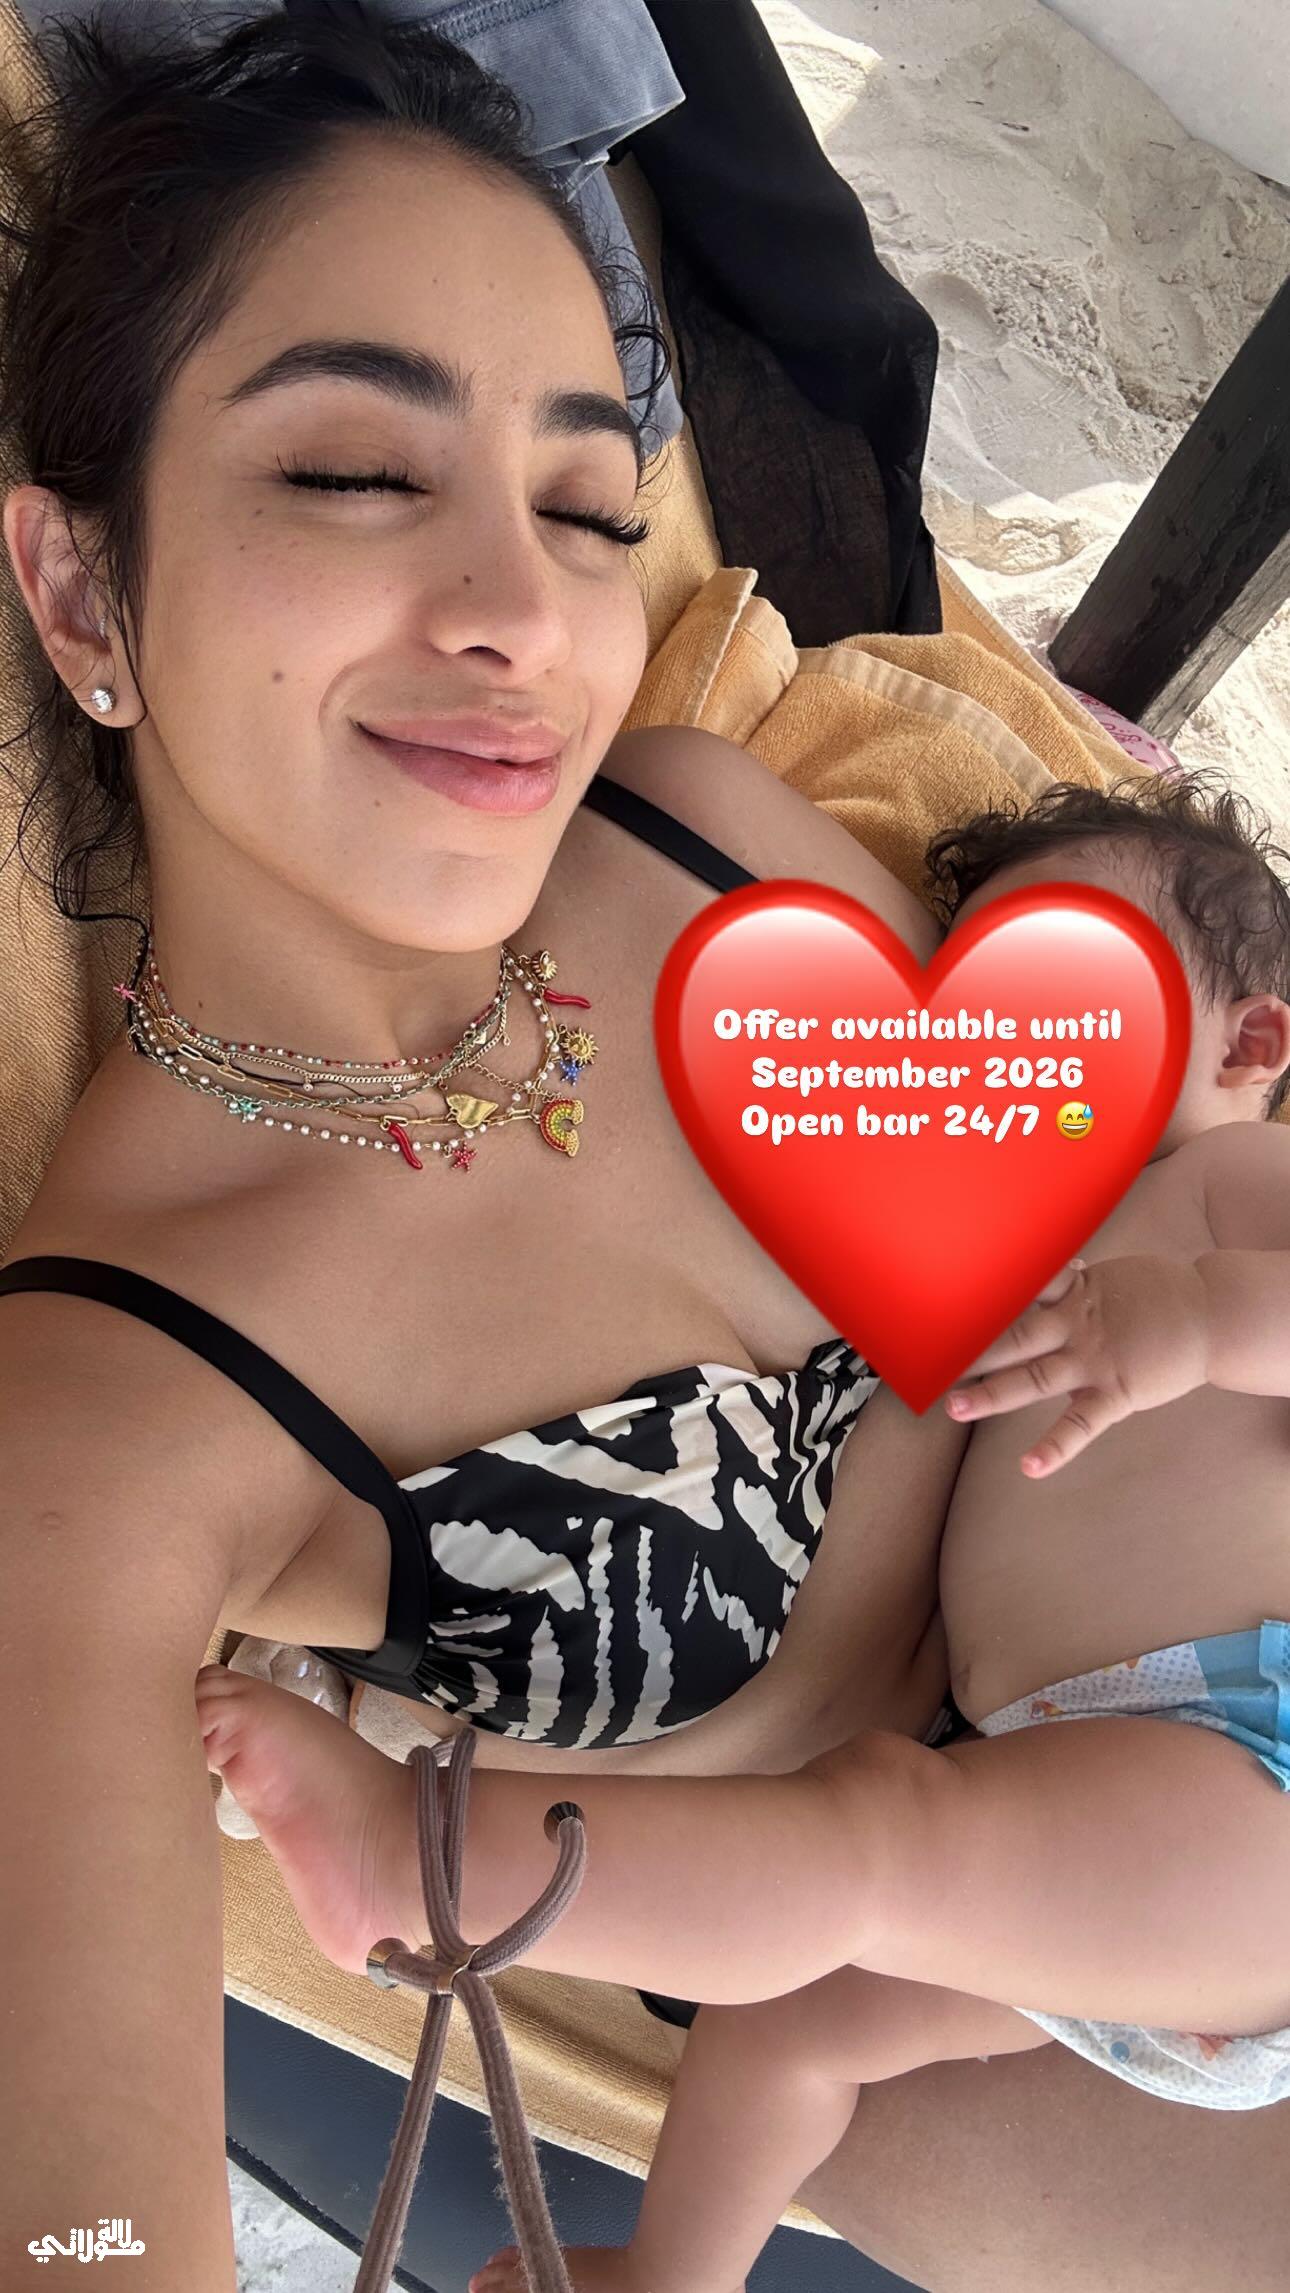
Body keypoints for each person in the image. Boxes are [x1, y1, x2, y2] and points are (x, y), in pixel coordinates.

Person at [0, 10, 952, 2286]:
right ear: (85, 593)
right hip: (965, 2038)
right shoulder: (107, 1415)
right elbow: (87, 2219)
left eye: (592, 507)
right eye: (356, 474)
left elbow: (1132, 1171)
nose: (528, 617)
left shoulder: (708, 841)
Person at [193, 773, 1290, 2293]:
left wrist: (1198, 1320)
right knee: (791, 2014)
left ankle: (411, 1861)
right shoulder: (1024, 1220)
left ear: (1248, 1043)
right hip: (1092, 1787)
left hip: (1250, 1768)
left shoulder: (1240, 1183)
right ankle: (672, 2274)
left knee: (871, 1841)